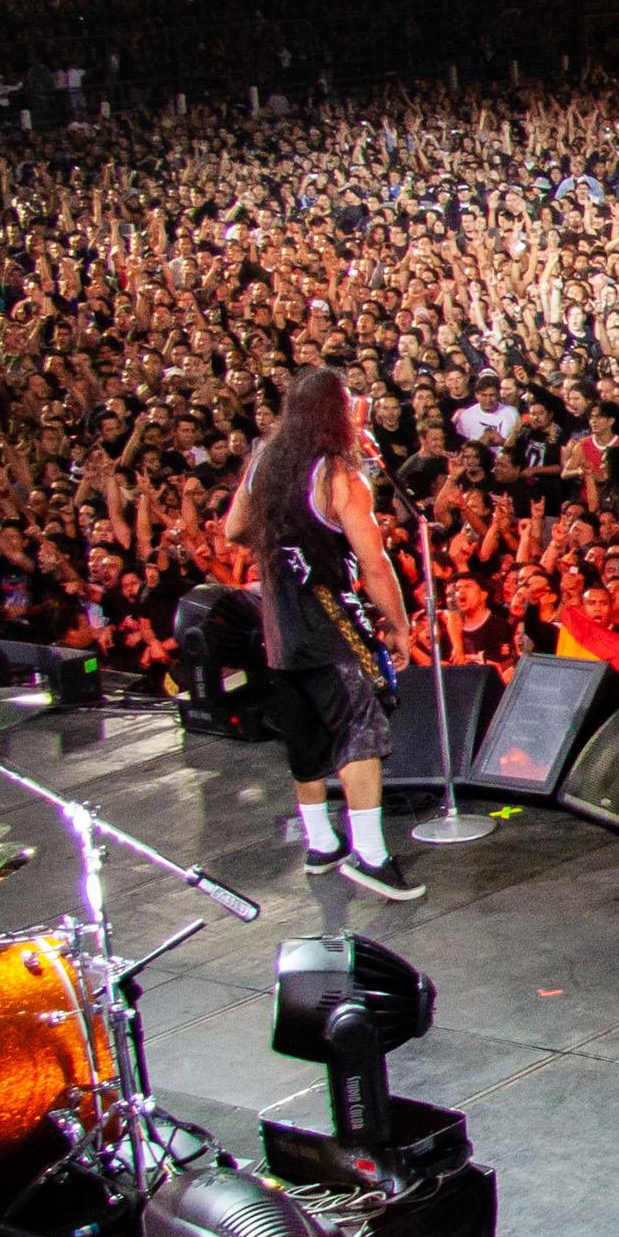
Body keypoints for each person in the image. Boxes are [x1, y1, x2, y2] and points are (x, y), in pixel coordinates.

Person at [222, 365, 425, 899]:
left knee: (305, 733)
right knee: (360, 728)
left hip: (279, 626)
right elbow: (374, 562)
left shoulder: (263, 460)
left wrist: (280, 547)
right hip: (330, 621)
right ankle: (371, 856)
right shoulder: (339, 476)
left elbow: (234, 529)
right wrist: (400, 625)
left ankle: (321, 844)